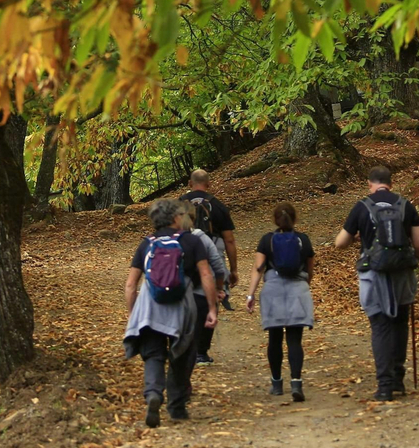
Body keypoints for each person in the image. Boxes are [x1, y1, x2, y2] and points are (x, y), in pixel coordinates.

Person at [124, 199, 219, 427]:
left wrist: (132, 314)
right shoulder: (191, 241)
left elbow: (130, 284)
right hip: (182, 302)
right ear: (176, 218)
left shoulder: (147, 243)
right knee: (183, 352)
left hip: (150, 303)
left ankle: (154, 393)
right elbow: (206, 275)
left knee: (153, 353)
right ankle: (176, 408)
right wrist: (212, 307)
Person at [334, 165, 419, 401]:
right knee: (400, 322)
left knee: (380, 325)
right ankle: (398, 380)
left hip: (373, 274)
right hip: (402, 274)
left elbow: (339, 243)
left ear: (369, 184)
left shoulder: (362, 206)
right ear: (391, 183)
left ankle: (384, 386)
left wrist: (358, 238)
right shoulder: (406, 205)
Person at [244, 202, 315, 403]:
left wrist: (250, 295)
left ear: (275, 220)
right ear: (295, 219)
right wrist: (302, 285)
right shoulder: (304, 240)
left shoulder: (267, 240)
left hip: (272, 290)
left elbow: (258, 269)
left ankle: (276, 384)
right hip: (298, 289)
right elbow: (310, 272)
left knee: (274, 339)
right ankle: (296, 382)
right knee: (294, 339)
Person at [182, 169, 238, 363]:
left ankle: (183, 345)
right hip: (212, 256)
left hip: (183, 256)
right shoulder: (218, 206)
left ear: (190, 183)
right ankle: (201, 351)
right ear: (209, 184)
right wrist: (233, 269)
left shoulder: (178, 205)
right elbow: (229, 240)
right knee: (211, 298)